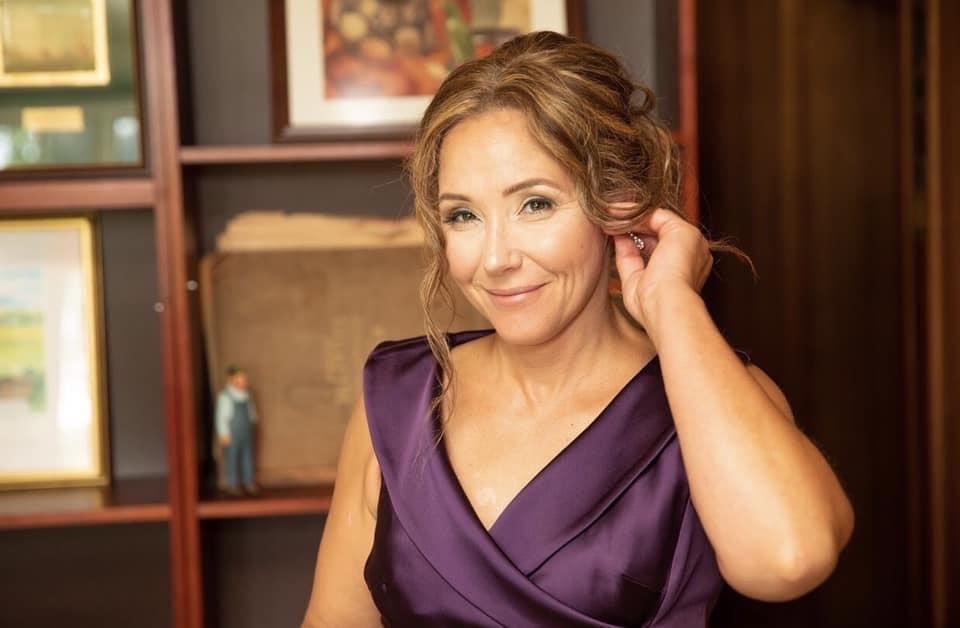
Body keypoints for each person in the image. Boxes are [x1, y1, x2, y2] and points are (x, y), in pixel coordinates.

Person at [302, 31, 854, 627]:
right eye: (463, 215)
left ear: (616, 204)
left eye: (535, 204)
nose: (496, 258)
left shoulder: (715, 396)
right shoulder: (396, 400)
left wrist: (672, 303)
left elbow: (789, 558)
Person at [215, 365, 259, 496]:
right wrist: (223, 434)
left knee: (247, 457)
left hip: (246, 431)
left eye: (244, 379)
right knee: (232, 458)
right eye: (240, 379)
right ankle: (232, 483)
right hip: (232, 433)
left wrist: (253, 421)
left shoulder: (246, 396)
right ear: (231, 379)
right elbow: (221, 418)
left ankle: (248, 481)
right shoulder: (225, 397)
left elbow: (251, 412)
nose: (243, 382)